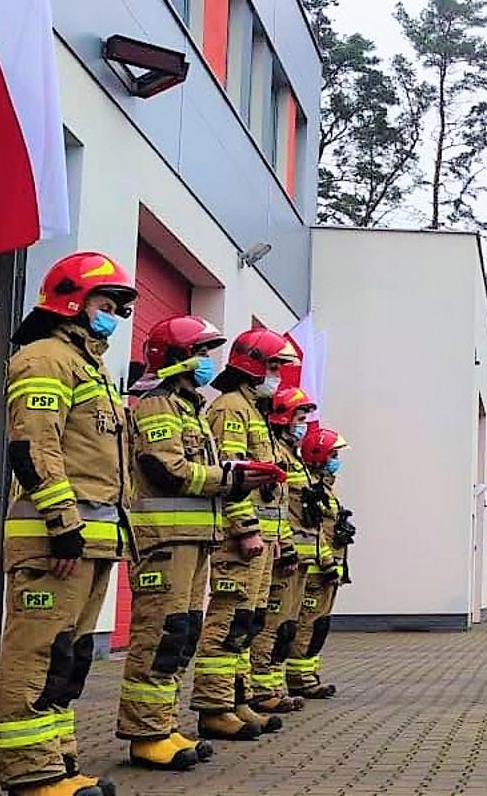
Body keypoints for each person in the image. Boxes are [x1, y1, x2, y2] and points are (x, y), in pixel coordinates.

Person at [0, 251, 135, 796]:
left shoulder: (87, 366)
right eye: (107, 304)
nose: (114, 317)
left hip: (89, 543)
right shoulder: (45, 359)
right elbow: (32, 446)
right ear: (72, 300)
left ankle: (57, 762)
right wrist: (62, 521)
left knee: (65, 658)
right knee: (34, 656)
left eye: (120, 309)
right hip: (55, 541)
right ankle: (31, 774)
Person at [117, 315, 281, 770]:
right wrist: (229, 478)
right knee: (159, 634)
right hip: (164, 541)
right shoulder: (157, 404)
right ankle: (146, 733)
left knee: (180, 635)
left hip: (193, 539)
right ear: (175, 358)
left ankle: (163, 724)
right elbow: (165, 469)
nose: (206, 362)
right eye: (200, 353)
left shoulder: (187, 407)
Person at [189, 327, 296, 740]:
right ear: (250, 365)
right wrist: (246, 529)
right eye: (272, 366)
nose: (277, 376)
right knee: (228, 621)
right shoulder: (231, 409)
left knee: (247, 623)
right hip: (242, 541)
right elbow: (234, 477)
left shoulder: (254, 412)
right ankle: (214, 708)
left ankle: (237, 700)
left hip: (260, 543)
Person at [243, 386, 317, 715]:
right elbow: (275, 506)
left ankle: (270, 685)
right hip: (272, 549)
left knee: (283, 624)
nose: (303, 424)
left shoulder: (290, 455)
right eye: (300, 418)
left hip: (287, 549)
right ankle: (261, 687)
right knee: (267, 623)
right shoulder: (281, 456)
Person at [287, 426, 352, 698]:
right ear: (320, 456)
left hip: (329, 568)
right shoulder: (310, 490)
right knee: (306, 624)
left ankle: (309, 675)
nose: (337, 460)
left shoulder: (325, 489)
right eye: (334, 454)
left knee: (319, 625)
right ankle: (300, 679)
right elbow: (311, 530)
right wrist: (326, 562)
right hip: (316, 569)